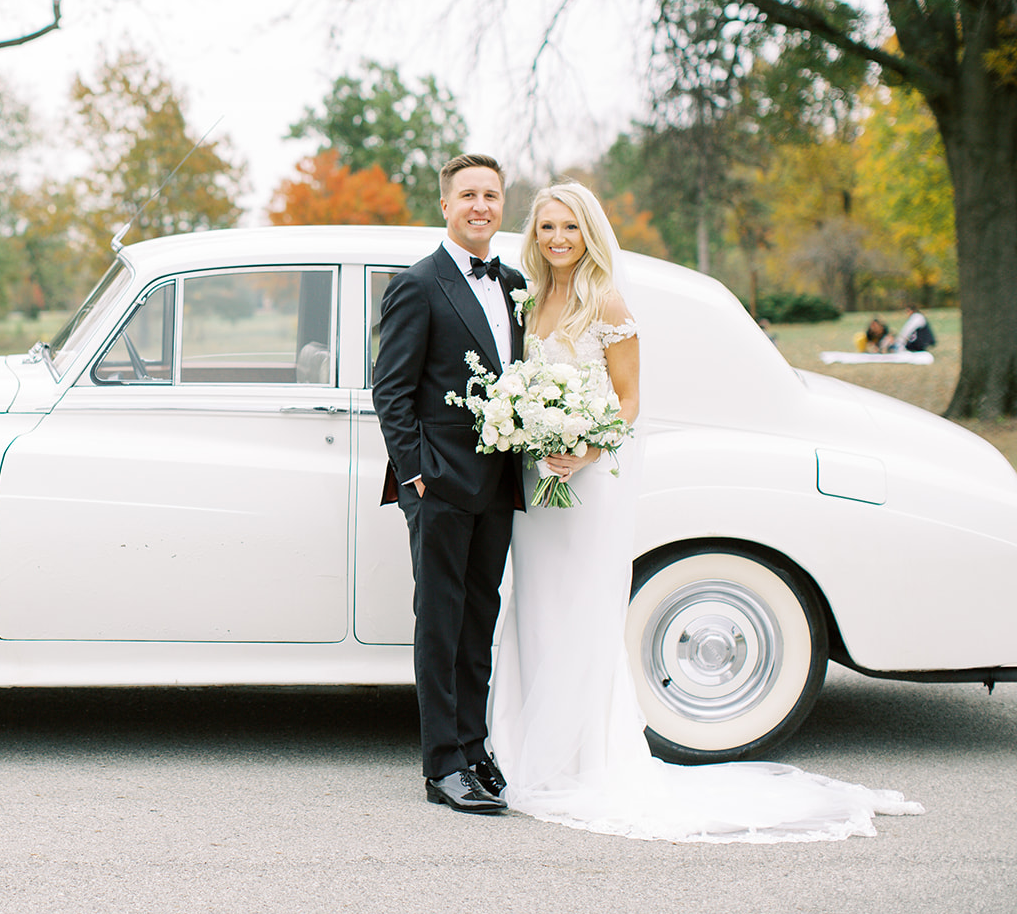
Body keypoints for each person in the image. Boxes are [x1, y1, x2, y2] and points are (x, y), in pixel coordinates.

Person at [486, 180, 924, 841]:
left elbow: (629, 401)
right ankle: (528, 744)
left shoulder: (605, 300)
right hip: (539, 482)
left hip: (586, 479)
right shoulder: (532, 297)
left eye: (568, 228)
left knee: (580, 606)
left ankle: (580, 757)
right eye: (546, 227)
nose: (556, 238)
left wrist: (581, 443)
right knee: (536, 602)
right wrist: (533, 432)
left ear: (588, 234)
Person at [372, 153, 526, 814]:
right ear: (446, 204)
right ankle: (443, 767)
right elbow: (391, 391)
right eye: (468, 194)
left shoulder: (516, 281)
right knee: (441, 621)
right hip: (438, 485)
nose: (480, 205)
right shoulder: (420, 283)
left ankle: (475, 746)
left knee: (480, 618)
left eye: (490, 194)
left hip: (498, 482)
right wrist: (416, 476)